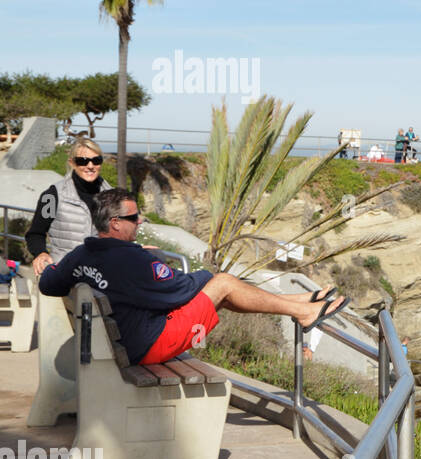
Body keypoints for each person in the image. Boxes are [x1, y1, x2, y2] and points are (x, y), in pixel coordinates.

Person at [38, 189, 349, 367]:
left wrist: (52, 264)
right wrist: (198, 273)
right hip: (147, 346)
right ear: (116, 224)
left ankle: (297, 301)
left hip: (113, 344)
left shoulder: (82, 254)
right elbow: (181, 291)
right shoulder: (132, 260)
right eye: (134, 217)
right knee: (224, 284)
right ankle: (303, 311)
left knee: (222, 293)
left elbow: (48, 283)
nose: (141, 220)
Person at [27, 135, 113, 276]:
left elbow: (121, 236)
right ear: (72, 163)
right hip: (64, 274)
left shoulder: (112, 196)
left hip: (101, 274)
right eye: (82, 161)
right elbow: (35, 233)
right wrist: (40, 253)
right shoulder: (52, 195)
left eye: (96, 160)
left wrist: (136, 249)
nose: (90, 166)